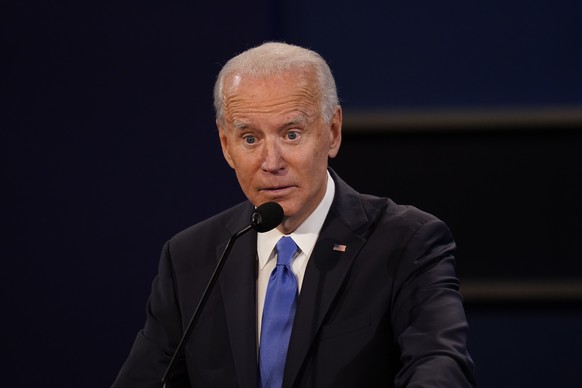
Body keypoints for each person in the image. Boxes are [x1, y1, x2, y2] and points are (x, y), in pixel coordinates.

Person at [112, 42, 476, 388]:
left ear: (332, 133)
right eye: (250, 139)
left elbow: (440, 366)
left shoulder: (406, 243)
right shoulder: (191, 258)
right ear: (226, 146)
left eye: (291, 134)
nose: (271, 163)